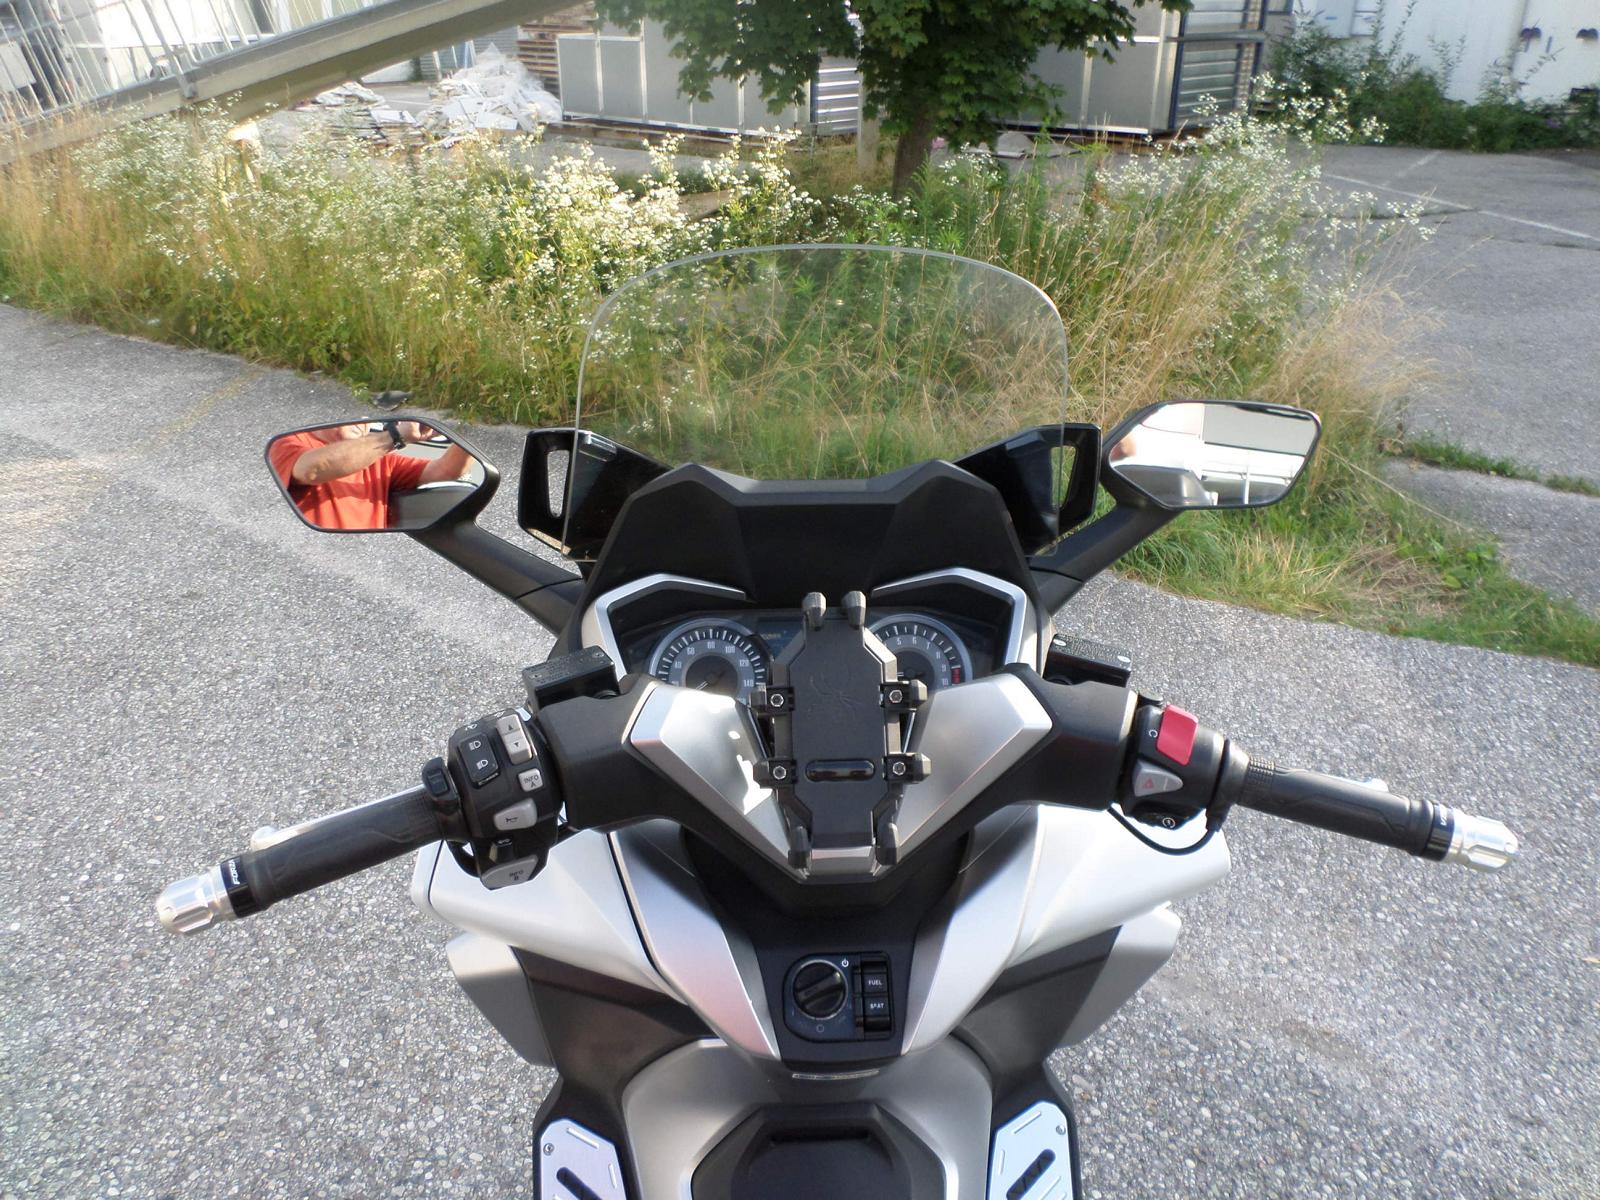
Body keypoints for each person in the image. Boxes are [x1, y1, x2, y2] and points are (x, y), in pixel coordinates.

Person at [269, 421, 471, 530]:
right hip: (316, 555)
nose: (363, 421)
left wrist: (466, 431)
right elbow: (311, 470)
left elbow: (446, 470)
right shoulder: (290, 442)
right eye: (355, 414)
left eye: (368, 418)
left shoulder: (380, 459)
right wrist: (394, 436)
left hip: (369, 559)